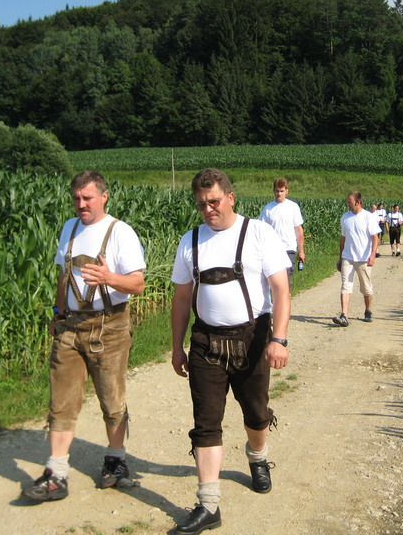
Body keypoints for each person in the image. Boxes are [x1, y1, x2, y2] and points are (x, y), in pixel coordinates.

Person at [171, 168, 291, 534]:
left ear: (230, 198)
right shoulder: (190, 241)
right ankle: (209, 505)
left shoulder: (258, 233)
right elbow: (181, 298)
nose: (208, 209)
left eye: (214, 201)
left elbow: (281, 290)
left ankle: (257, 456)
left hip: (252, 339)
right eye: (201, 204)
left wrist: (279, 339)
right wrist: (177, 347)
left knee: (256, 413)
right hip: (206, 342)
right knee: (206, 422)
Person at [22, 171, 146, 502]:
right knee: (61, 402)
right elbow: (63, 276)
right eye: (76, 198)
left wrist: (109, 278)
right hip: (70, 326)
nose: (81, 204)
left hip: (110, 326)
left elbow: (137, 284)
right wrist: (57, 313)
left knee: (111, 400)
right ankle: (56, 473)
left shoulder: (120, 232)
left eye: (87, 197)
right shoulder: (69, 229)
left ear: (104, 196)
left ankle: (116, 460)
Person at [332, 192, 380, 326]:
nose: (348, 204)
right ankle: (344, 315)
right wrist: (340, 258)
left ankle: (368, 310)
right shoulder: (345, 217)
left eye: (350, 202)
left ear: (357, 202)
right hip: (348, 257)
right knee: (345, 286)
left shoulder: (368, 217)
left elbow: (375, 238)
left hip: (363, 258)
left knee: (366, 288)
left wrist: (372, 255)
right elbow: (343, 239)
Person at [258, 177, 305, 291]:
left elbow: (298, 230)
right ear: (273, 191)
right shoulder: (268, 209)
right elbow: (261, 229)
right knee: (272, 281)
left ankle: (286, 301)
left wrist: (301, 251)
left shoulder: (293, 207)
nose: (279, 194)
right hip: (272, 250)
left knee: (286, 280)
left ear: (286, 191)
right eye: (277, 191)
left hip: (288, 249)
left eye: (282, 191)